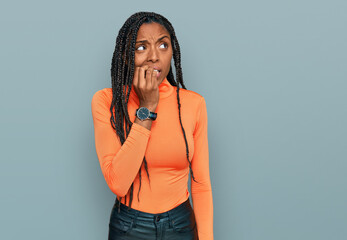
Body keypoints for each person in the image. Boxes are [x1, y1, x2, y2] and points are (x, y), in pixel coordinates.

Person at [91, 11, 213, 240]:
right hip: (129, 226)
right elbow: (118, 183)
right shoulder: (107, 101)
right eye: (141, 48)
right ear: (127, 56)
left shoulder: (193, 103)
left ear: (172, 52)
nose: (154, 57)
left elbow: (201, 184)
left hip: (180, 224)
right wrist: (146, 109)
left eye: (163, 45)